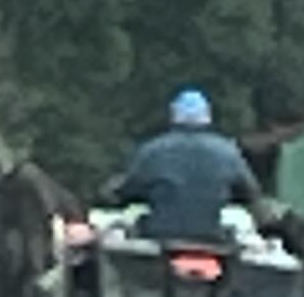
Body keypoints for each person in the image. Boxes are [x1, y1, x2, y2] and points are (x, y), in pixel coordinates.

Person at [106, 87, 263, 243]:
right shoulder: (229, 153)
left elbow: (125, 190)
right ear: (207, 116)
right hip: (213, 238)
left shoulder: (152, 151)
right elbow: (251, 192)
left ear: (173, 115)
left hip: (159, 237)